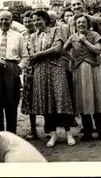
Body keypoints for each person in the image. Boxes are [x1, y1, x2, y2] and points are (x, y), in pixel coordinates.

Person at [29, 10, 75, 147]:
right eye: (34, 20)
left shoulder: (56, 31)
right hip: (40, 71)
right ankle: (53, 134)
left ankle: (68, 133)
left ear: (45, 19)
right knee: (47, 101)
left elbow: (57, 49)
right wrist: (39, 55)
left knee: (61, 99)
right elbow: (31, 54)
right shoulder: (32, 36)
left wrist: (39, 55)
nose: (36, 22)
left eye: (39, 19)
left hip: (56, 69)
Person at [64, 13, 101, 141]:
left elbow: (98, 50)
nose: (81, 24)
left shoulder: (94, 35)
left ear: (88, 24)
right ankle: (87, 131)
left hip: (93, 69)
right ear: (75, 25)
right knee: (83, 99)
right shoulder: (72, 37)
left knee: (96, 98)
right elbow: (63, 50)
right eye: (78, 23)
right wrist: (72, 59)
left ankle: (100, 131)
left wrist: (85, 41)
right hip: (79, 70)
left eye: (83, 22)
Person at [20, 11, 39, 140]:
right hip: (28, 70)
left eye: (30, 21)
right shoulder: (21, 36)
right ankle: (33, 129)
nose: (28, 24)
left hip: (40, 68)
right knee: (30, 100)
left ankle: (49, 128)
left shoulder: (40, 34)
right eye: (26, 22)